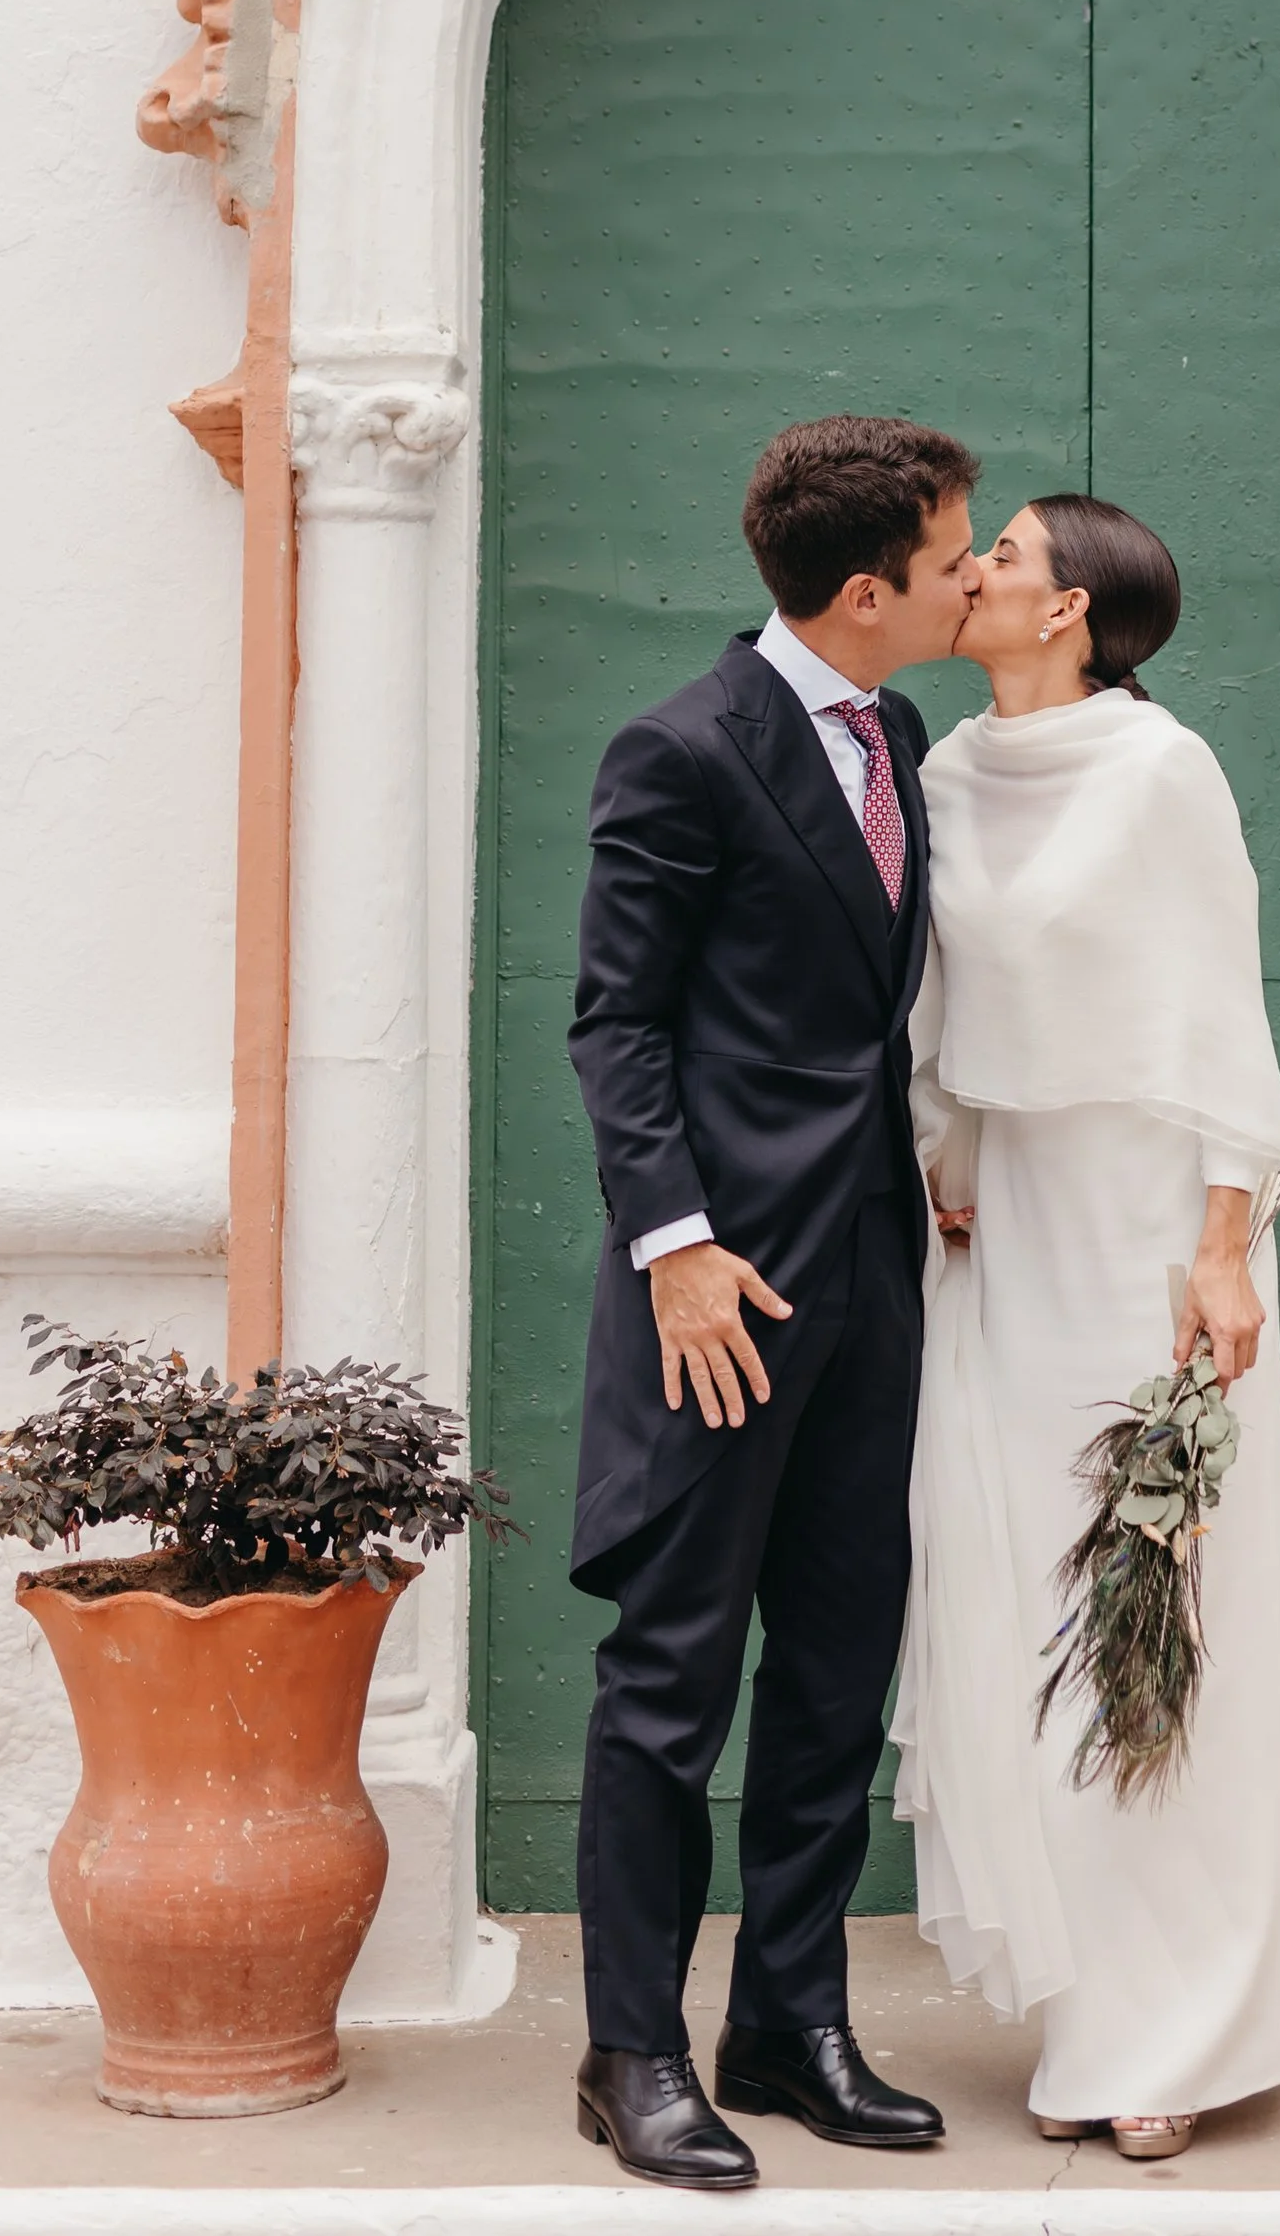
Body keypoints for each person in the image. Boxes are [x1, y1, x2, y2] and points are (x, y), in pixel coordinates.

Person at [566, 415, 979, 2189]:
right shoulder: (683, 747)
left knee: (832, 1660)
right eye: (959, 553)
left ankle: (787, 2020)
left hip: (874, 1273)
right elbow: (617, 1021)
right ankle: (633, 2049)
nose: (979, 574)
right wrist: (673, 1246)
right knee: (672, 1675)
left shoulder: (901, 730)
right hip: (719, 1289)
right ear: (871, 583)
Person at [894, 496, 1280, 2158]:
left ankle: (1185, 2029)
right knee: (1028, 1604)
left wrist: (1227, 1246)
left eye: (1000, 551)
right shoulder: (940, 774)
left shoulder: (1163, 770)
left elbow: (1224, 1010)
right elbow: (938, 1012)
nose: (973, 568)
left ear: (1071, 606)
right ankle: (1090, 1998)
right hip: (1010, 1232)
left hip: (1154, 1226)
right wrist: (949, 1162)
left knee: (1162, 1607)